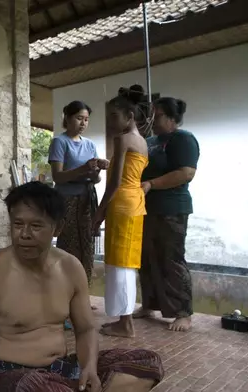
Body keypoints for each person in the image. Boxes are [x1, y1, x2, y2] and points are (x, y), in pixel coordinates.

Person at [0, 182, 164, 392]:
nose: (24, 234)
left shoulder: (70, 268)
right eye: (17, 224)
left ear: (57, 228)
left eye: (35, 226)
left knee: (148, 363)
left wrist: (89, 368)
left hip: (63, 369)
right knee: (39, 387)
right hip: (12, 375)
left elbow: (85, 328)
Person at [134, 97, 199, 333]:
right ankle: (149, 304)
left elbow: (186, 173)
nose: (153, 119)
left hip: (172, 208)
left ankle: (183, 312)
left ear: (172, 118)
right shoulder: (150, 141)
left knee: (171, 259)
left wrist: (151, 184)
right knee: (147, 258)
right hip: (146, 209)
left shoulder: (183, 139)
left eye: (158, 115)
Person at [92, 86, 149, 338]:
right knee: (126, 262)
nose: (110, 121)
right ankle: (123, 320)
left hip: (122, 203)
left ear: (129, 116)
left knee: (120, 264)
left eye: (114, 116)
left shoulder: (122, 139)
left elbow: (115, 183)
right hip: (135, 203)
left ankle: (126, 323)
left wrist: (99, 213)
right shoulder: (143, 142)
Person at [49, 101, 108, 305]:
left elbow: (95, 179)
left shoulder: (89, 144)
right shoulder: (60, 142)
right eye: (79, 118)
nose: (83, 123)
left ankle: (82, 296)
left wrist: (97, 170)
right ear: (67, 118)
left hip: (87, 199)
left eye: (86, 119)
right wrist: (84, 169)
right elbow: (58, 176)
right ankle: (64, 299)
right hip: (67, 201)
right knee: (69, 247)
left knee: (87, 248)